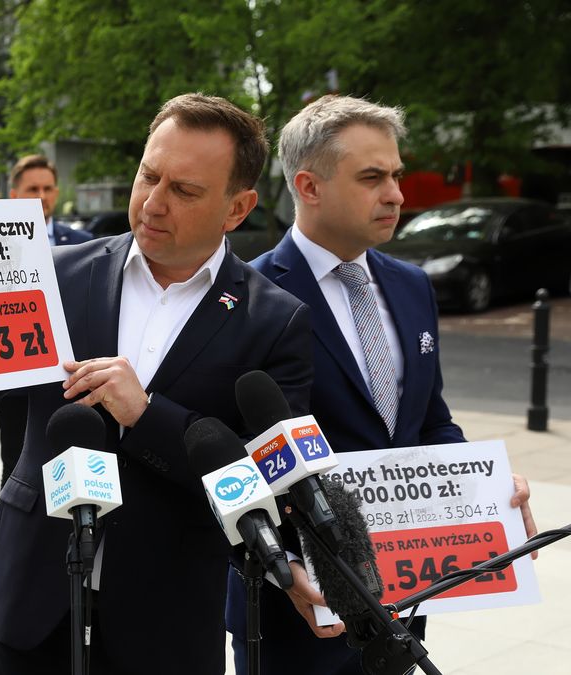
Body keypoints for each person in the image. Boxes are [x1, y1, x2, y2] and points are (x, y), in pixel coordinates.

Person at [0, 93, 314, 673]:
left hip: (165, 618)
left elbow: (266, 483)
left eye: (184, 190)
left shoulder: (274, 321)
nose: (153, 202)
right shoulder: (54, 274)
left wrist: (146, 415)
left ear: (238, 207)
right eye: (149, 175)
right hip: (35, 602)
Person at [234, 94, 537, 675]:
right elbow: (231, 457)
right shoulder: (248, 295)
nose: (396, 194)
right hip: (296, 611)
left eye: (396, 175)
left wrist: (488, 487)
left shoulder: (411, 285)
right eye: (373, 178)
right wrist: (277, 565)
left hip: (404, 598)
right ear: (309, 186)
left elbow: (429, 421)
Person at [0, 154, 93, 485]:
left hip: (72, 378)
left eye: (48, 188)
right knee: (16, 470)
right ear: (14, 195)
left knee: (75, 471)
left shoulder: (84, 244)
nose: (42, 195)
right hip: (16, 383)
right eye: (32, 189)